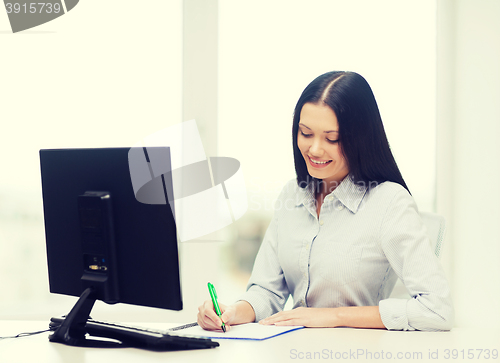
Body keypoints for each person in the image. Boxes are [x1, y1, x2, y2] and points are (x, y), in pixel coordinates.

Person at [197, 71, 454, 331]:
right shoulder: (292, 195)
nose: (315, 149)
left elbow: (437, 310)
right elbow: (267, 292)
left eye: (332, 138)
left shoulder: (390, 203)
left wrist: (334, 317)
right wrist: (231, 312)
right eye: (306, 133)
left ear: (359, 139)